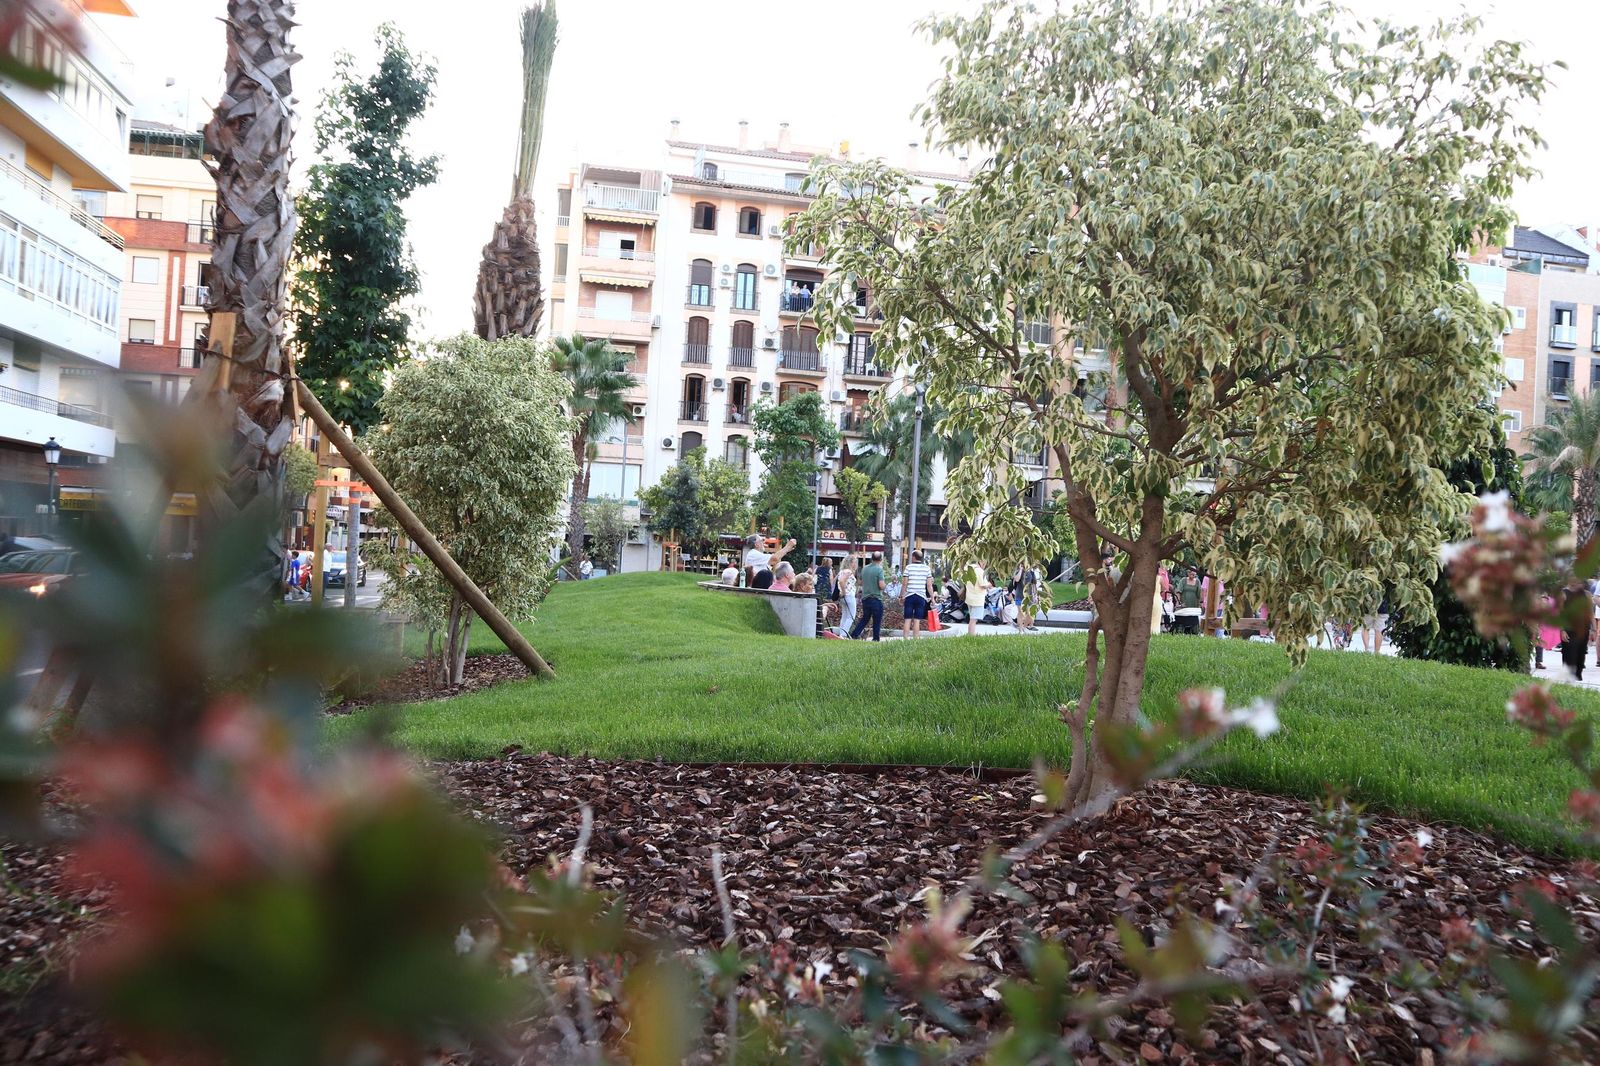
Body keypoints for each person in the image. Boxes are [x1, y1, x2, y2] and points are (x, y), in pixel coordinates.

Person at [849, 553, 886, 641]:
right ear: (880, 560)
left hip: (865, 598)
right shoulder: (879, 570)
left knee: (865, 618)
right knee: (877, 620)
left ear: (871, 558)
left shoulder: (865, 569)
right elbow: (881, 585)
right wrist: (885, 586)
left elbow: (860, 582)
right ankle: (876, 638)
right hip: (876, 598)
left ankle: (854, 634)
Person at [1561, 581, 1593, 680]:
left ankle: (1578, 673)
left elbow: (1590, 612)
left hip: (1584, 628)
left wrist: (1593, 629)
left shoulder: (1587, 594)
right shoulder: (1563, 593)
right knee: (1569, 653)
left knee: (1581, 652)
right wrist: (1562, 630)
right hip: (1569, 628)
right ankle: (1567, 675)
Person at [901, 550, 934, 639]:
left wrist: (901, 596)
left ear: (914, 557)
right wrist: (933, 599)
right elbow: (929, 585)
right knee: (917, 620)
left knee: (907, 619)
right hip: (921, 597)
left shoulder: (908, 568)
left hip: (909, 596)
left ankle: (905, 639)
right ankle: (916, 639)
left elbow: (904, 584)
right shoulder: (927, 568)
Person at [963, 560, 990, 636]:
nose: (985, 565)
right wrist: (989, 584)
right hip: (978, 599)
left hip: (969, 597)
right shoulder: (980, 571)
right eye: (985, 563)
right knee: (973, 620)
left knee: (972, 618)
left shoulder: (967, 568)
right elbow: (983, 585)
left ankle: (970, 634)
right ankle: (971, 636)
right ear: (981, 561)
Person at [1174, 566, 1203, 634]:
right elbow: (1178, 592)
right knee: (1183, 618)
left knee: (1193, 618)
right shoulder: (1183, 580)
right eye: (1190, 573)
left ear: (1195, 574)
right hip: (1184, 604)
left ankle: (1194, 632)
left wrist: (1200, 604)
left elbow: (1199, 594)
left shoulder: (1198, 582)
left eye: (1193, 574)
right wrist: (1178, 602)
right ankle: (1180, 632)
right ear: (1188, 573)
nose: (1192, 575)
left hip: (1193, 604)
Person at [837, 563, 858, 636]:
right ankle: (843, 634)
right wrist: (844, 591)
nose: (856, 564)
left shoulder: (842, 571)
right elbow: (842, 581)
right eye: (855, 562)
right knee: (851, 616)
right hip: (849, 595)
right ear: (851, 562)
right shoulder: (848, 571)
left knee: (845, 616)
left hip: (844, 596)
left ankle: (841, 633)